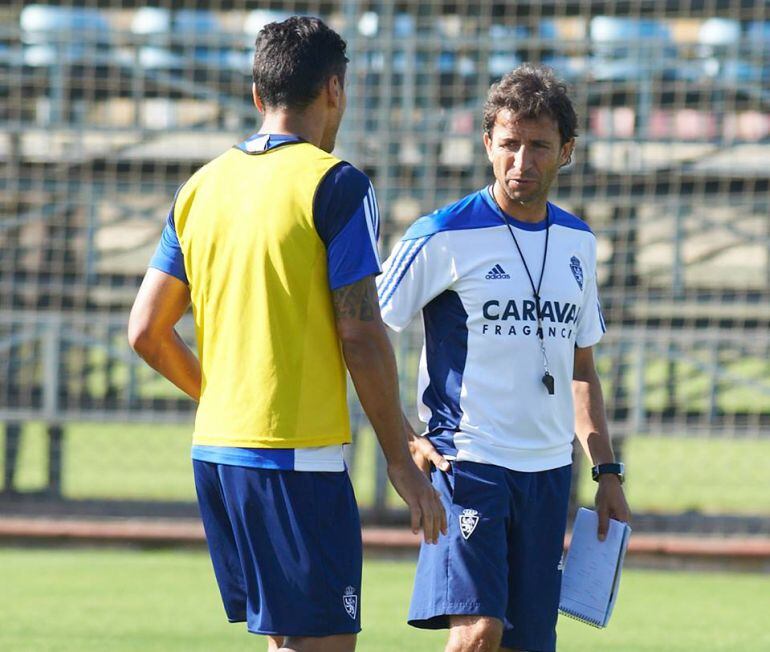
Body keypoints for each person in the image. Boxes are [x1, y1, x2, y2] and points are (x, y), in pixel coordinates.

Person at [127, 16, 445, 652]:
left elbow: (146, 331)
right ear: (334, 89)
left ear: (255, 95)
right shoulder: (337, 184)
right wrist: (396, 457)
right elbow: (359, 333)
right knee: (320, 644)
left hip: (217, 454)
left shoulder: (199, 187)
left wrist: (219, 397)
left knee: (286, 642)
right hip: (294, 459)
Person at [378, 64, 630, 652]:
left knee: (530, 644)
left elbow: (581, 370)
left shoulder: (579, 244)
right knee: (477, 632)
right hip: (468, 465)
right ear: (488, 142)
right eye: (509, 144)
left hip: (548, 474)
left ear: (566, 151)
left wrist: (607, 471)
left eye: (538, 146)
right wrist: (405, 435)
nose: (522, 162)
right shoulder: (439, 234)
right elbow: (361, 333)